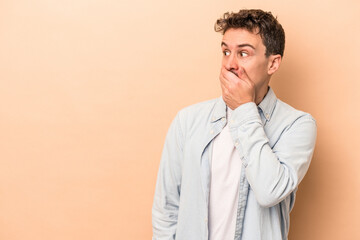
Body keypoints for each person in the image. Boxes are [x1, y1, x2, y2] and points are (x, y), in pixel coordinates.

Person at [152, 9, 317, 240]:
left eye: (243, 53)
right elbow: (167, 209)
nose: (230, 64)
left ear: (273, 64)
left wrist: (243, 109)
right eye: (226, 51)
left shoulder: (297, 125)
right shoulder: (187, 121)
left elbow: (270, 191)